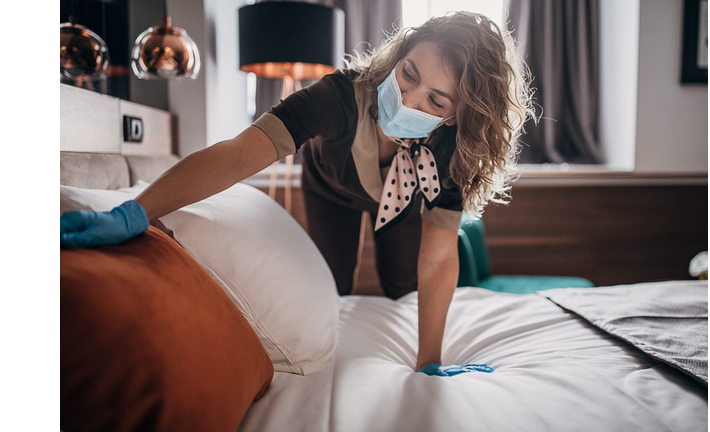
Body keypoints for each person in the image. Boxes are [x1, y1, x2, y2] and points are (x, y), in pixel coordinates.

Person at [60, 11, 534, 377]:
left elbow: (436, 258)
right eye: (409, 74)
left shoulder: (454, 150)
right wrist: (136, 211)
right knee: (332, 284)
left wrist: (429, 362)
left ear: (455, 117)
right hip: (332, 189)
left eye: (435, 100)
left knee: (402, 288)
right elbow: (238, 154)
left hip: (407, 207)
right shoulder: (337, 97)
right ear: (398, 56)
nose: (409, 100)